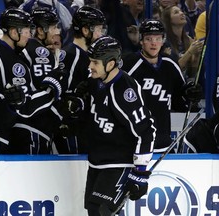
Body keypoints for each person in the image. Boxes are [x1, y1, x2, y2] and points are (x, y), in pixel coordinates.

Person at [74, 35, 156, 215]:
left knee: (101, 210)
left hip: (118, 163)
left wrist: (140, 171)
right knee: (94, 210)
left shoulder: (124, 91)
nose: (90, 66)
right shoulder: (98, 81)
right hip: (97, 162)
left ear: (110, 64)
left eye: (95, 62)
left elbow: (146, 131)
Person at [0, 7, 66, 154]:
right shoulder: (13, 64)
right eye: (26, 31)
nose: (29, 36)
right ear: (13, 32)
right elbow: (25, 107)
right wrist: (53, 88)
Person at [121, 19, 202, 153]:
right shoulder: (128, 65)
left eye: (158, 38)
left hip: (163, 143)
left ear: (163, 40)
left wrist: (191, 95)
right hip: (133, 143)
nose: (154, 43)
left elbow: (180, 103)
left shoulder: (170, 65)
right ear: (141, 40)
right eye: (149, 38)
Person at [54, 5, 107, 154]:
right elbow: (64, 96)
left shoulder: (88, 56)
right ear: (85, 30)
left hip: (87, 127)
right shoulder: (72, 54)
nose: (101, 34)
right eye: (98, 29)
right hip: (74, 130)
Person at [15, 7, 64, 154]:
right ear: (40, 31)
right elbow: (46, 89)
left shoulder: (27, 48)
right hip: (35, 126)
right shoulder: (39, 51)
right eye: (53, 27)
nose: (57, 32)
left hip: (22, 125)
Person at [161, 5, 204, 80]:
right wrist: (190, 52)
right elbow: (172, 70)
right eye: (176, 12)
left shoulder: (189, 40)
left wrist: (196, 56)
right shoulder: (164, 43)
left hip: (186, 83)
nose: (182, 13)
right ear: (169, 20)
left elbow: (192, 73)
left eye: (181, 11)